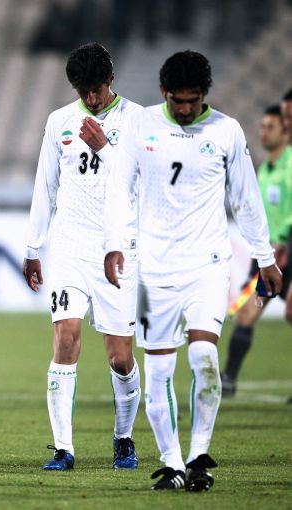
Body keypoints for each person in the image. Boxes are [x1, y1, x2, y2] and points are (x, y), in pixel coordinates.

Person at [104, 50, 283, 491]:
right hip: (153, 271)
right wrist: (113, 244)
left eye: (194, 100)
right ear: (163, 92)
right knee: (158, 373)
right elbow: (119, 189)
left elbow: (245, 199)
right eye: (178, 100)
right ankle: (173, 464)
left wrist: (264, 258)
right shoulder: (141, 125)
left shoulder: (225, 130)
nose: (186, 109)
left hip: (208, 264)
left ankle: (199, 454)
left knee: (204, 356)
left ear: (206, 94)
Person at [23, 42, 143, 472]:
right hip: (69, 247)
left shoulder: (137, 120)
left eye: (96, 89)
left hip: (116, 250)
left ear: (111, 79)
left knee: (120, 358)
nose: (90, 99)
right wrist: (33, 247)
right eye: (82, 91)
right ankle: (63, 448)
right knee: (66, 338)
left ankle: (123, 438)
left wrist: (105, 149)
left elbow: (143, 185)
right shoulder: (59, 121)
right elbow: (46, 185)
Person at [221, 104, 292, 396]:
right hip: (268, 258)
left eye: (270, 127)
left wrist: (284, 238)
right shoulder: (263, 170)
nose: (263, 132)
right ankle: (228, 379)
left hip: (288, 251)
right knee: (247, 313)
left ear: (285, 132)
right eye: (262, 126)